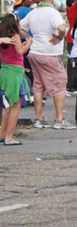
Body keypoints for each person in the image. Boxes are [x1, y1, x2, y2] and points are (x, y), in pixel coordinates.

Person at [20, 0, 75, 129]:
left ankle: (38, 119)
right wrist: (59, 37)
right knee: (59, 84)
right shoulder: (53, 13)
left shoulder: (33, 13)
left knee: (38, 85)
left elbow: (18, 26)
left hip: (34, 53)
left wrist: (28, 37)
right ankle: (59, 120)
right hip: (49, 54)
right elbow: (62, 29)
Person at [0, 14, 32, 145]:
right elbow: (20, 51)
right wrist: (28, 43)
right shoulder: (15, 36)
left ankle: (3, 133)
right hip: (15, 71)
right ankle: (9, 136)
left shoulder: (3, 38)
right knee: (16, 105)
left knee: (10, 105)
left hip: (5, 69)